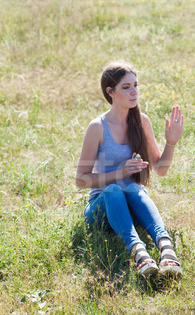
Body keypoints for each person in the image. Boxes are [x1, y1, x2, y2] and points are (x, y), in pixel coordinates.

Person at [75, 61, 183, 279]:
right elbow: (81, 180)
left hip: (131, 202)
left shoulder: (142, 122)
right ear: (110, 92)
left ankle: (166, 249)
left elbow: (160, 169)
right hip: (101, 206)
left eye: (135, 85)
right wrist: (119, 173)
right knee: (114, 190)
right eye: (126, 87)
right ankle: (140, 254)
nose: (134, 92)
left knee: (135, 189)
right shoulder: (97, 127)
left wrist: (171, 142)